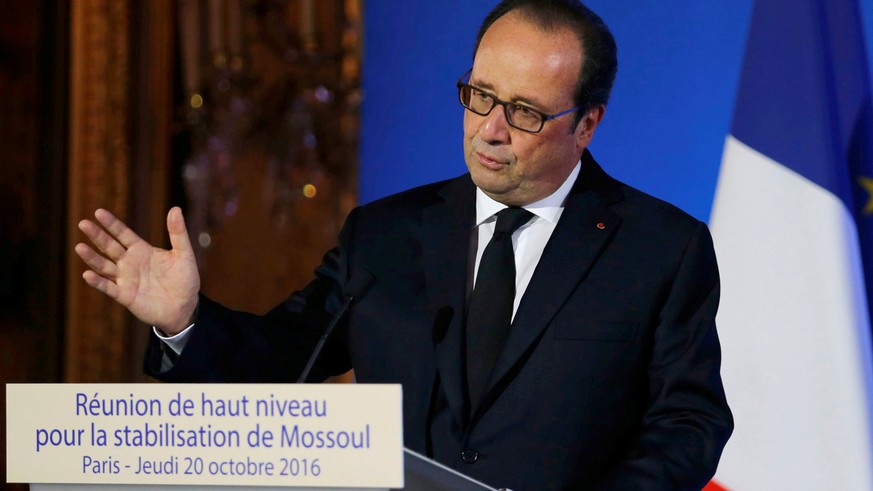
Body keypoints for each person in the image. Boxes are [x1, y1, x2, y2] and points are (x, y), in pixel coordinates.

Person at [75, 0, 733, 489]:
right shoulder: (385, 234)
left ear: (586, 123)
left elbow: (688, 424)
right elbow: (285, 360)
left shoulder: (659, 248)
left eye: (525, 111)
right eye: (479, 96)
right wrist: (184, 321)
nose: (490, 130)